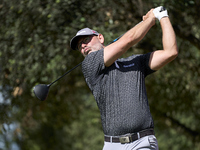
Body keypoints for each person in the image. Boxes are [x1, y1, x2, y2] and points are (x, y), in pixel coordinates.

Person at [70, 6, 178, 150]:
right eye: (79, 46)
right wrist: (150, 20)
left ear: (100, 38)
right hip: (112, 145)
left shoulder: (135, 62)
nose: (83, 46)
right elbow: (129, 39)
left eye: (86, 40)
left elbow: (170, 52)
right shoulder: (90, 64)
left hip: (142, 143)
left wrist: (162, 16)